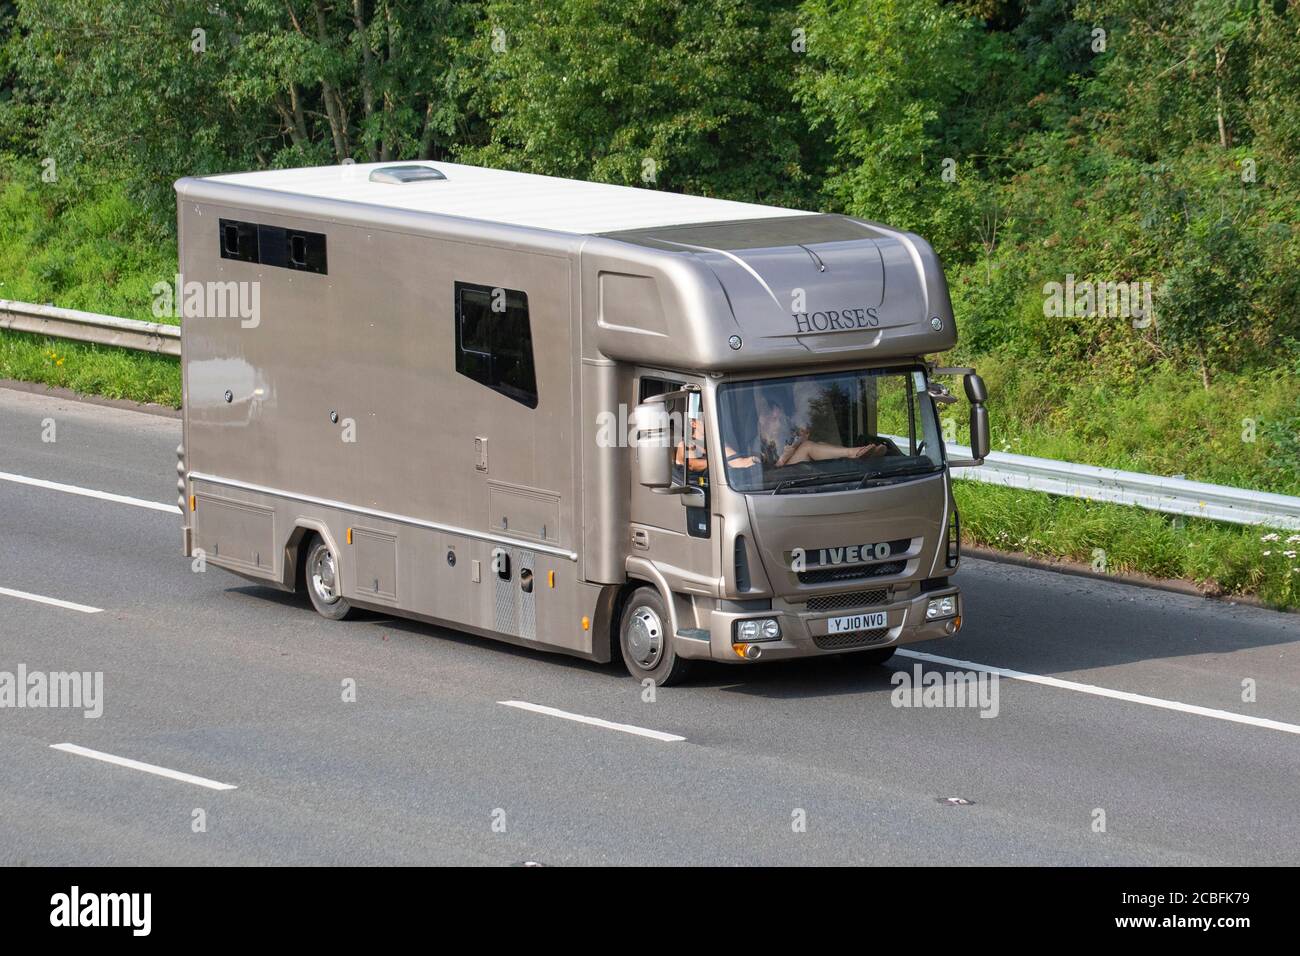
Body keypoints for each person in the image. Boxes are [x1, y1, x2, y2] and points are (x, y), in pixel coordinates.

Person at [725, 388, 886, 469]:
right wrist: (785, 456)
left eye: (778, 409)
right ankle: (853, 453)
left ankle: (859, 454)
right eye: (772, 411)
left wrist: (798, 440)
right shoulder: (757, 441)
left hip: (785, 471)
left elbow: (792, 441)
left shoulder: (782, 429)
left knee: (819, 444)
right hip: (774, 483)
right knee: (808, 448)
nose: (777, 414)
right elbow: (765, 472)